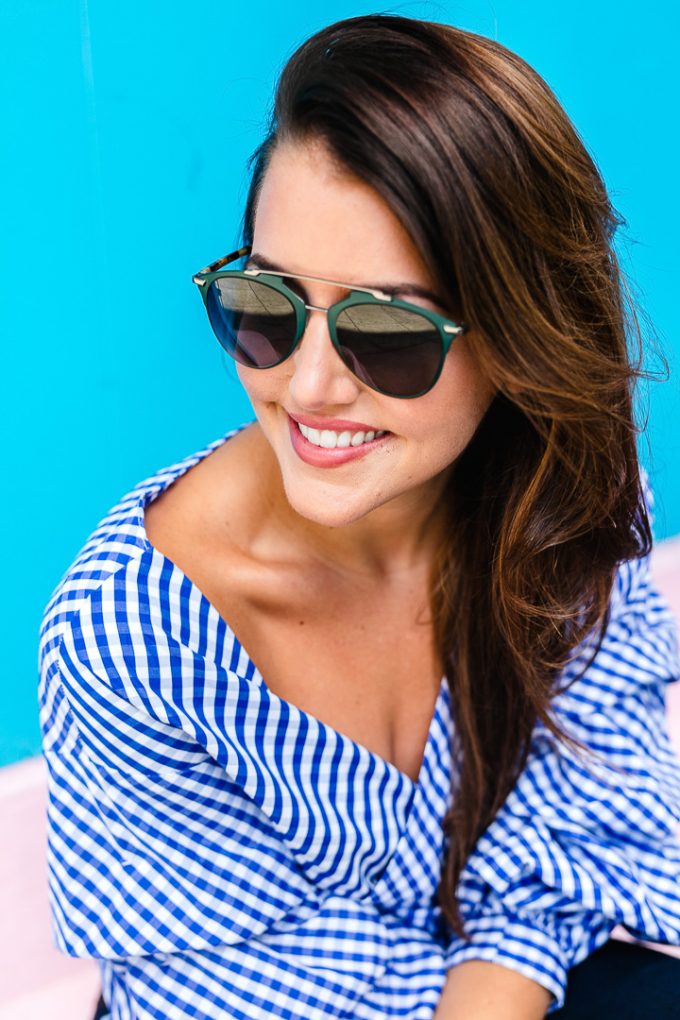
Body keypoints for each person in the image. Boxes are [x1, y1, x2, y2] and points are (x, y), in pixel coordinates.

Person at [38, 13, 680, 1020]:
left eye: (385, 332)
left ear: (517, 334)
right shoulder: (128, 635)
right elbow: (232, 994)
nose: (308, 386)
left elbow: (585, 825)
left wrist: (496, 983)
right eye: (267, 306)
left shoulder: (561, 485)